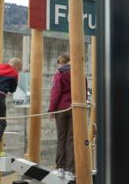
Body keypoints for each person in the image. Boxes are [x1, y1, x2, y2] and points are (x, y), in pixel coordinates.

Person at [48, 53, 75, 181]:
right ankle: (70, 170)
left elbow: (56, 91)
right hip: (75, 108)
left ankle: (60, 168)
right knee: (71, 139)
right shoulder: (79, 72)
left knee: (61, 138)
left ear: (60, 62)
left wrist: (51, 110)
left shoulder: (60, 73)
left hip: (61, 108)